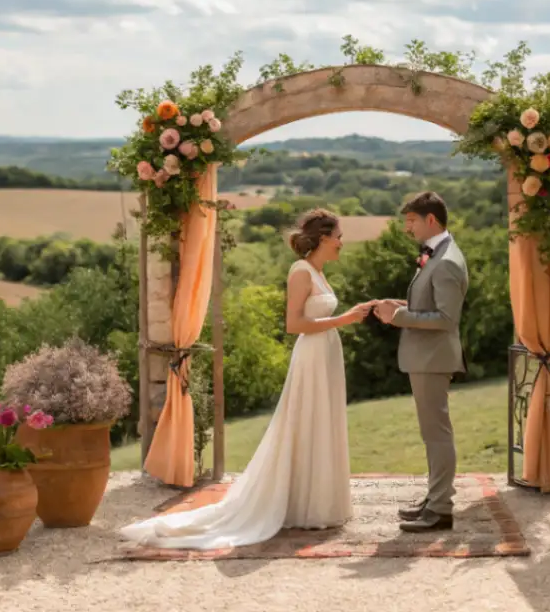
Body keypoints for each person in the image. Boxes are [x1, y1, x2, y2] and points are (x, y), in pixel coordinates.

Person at [119, 208, 374, 550]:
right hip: (311, 356)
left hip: (326, 353)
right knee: (305, 423)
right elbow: (294, 325)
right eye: (339, 236)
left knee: (323, 423)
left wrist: (353, 314)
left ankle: (319, 501)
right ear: (325, 238)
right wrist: (343, 320)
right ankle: (298, 503)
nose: (342, 243)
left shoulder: (319, 272)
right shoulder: (300, 272)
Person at [373, 191, 469, 532]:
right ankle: (435, 497)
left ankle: (441, 509)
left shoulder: (445, 262)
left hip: (432, 359)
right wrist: (401, 305)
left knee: (437, 434)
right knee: (433, 434)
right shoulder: (438, 253)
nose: (407, 228)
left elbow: (445, 319)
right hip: (426, 357)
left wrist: (398, 316)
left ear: (431, 220)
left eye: (411, 221)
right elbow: (431, 304)